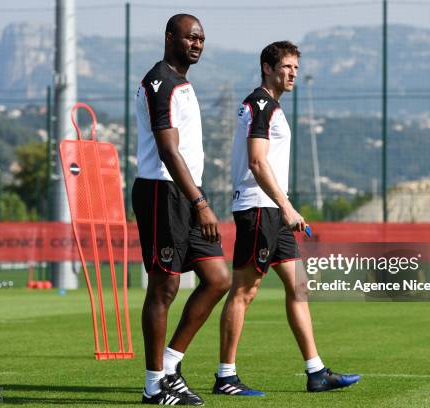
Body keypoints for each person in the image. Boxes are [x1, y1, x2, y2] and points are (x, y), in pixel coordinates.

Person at [213, 41, 361, 396]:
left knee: (299, 286)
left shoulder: (271, 106)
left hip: (274, 210)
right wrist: (287, 206)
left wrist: (285, 208)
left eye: (296, 67)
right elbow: (257, 161)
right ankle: (225, 377)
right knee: (244, 292)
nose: (293, 73)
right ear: (267, 67)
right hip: (259, 208)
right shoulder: (260, 104)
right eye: (287, 66)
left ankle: (316, 372)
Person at [133, 14, 231, 406]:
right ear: (170, 37)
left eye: (202, 39)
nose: (197, 44)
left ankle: (170, 365)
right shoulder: (161, 81)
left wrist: (196, 198)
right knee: (165, 285)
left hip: (186, 193)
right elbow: (167, 150)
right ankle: (153, 385)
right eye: (191, 37)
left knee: (218, 278)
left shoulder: (183, 84)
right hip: (163, 192)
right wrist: (201, 202)